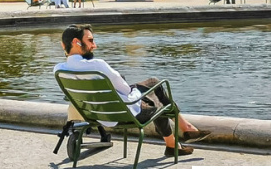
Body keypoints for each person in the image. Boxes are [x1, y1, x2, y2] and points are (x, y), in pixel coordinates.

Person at [54, 24, 210, 156]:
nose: (94, 45)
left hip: (96, 114)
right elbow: (126, 90)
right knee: (158, 100)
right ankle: (176, 140)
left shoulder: (59, 70)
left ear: (62, 45)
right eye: (90, 41)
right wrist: (138, 93)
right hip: (124, 114)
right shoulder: (97, 66)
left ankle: (183, 132)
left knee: (153, 83)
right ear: (76, 42)